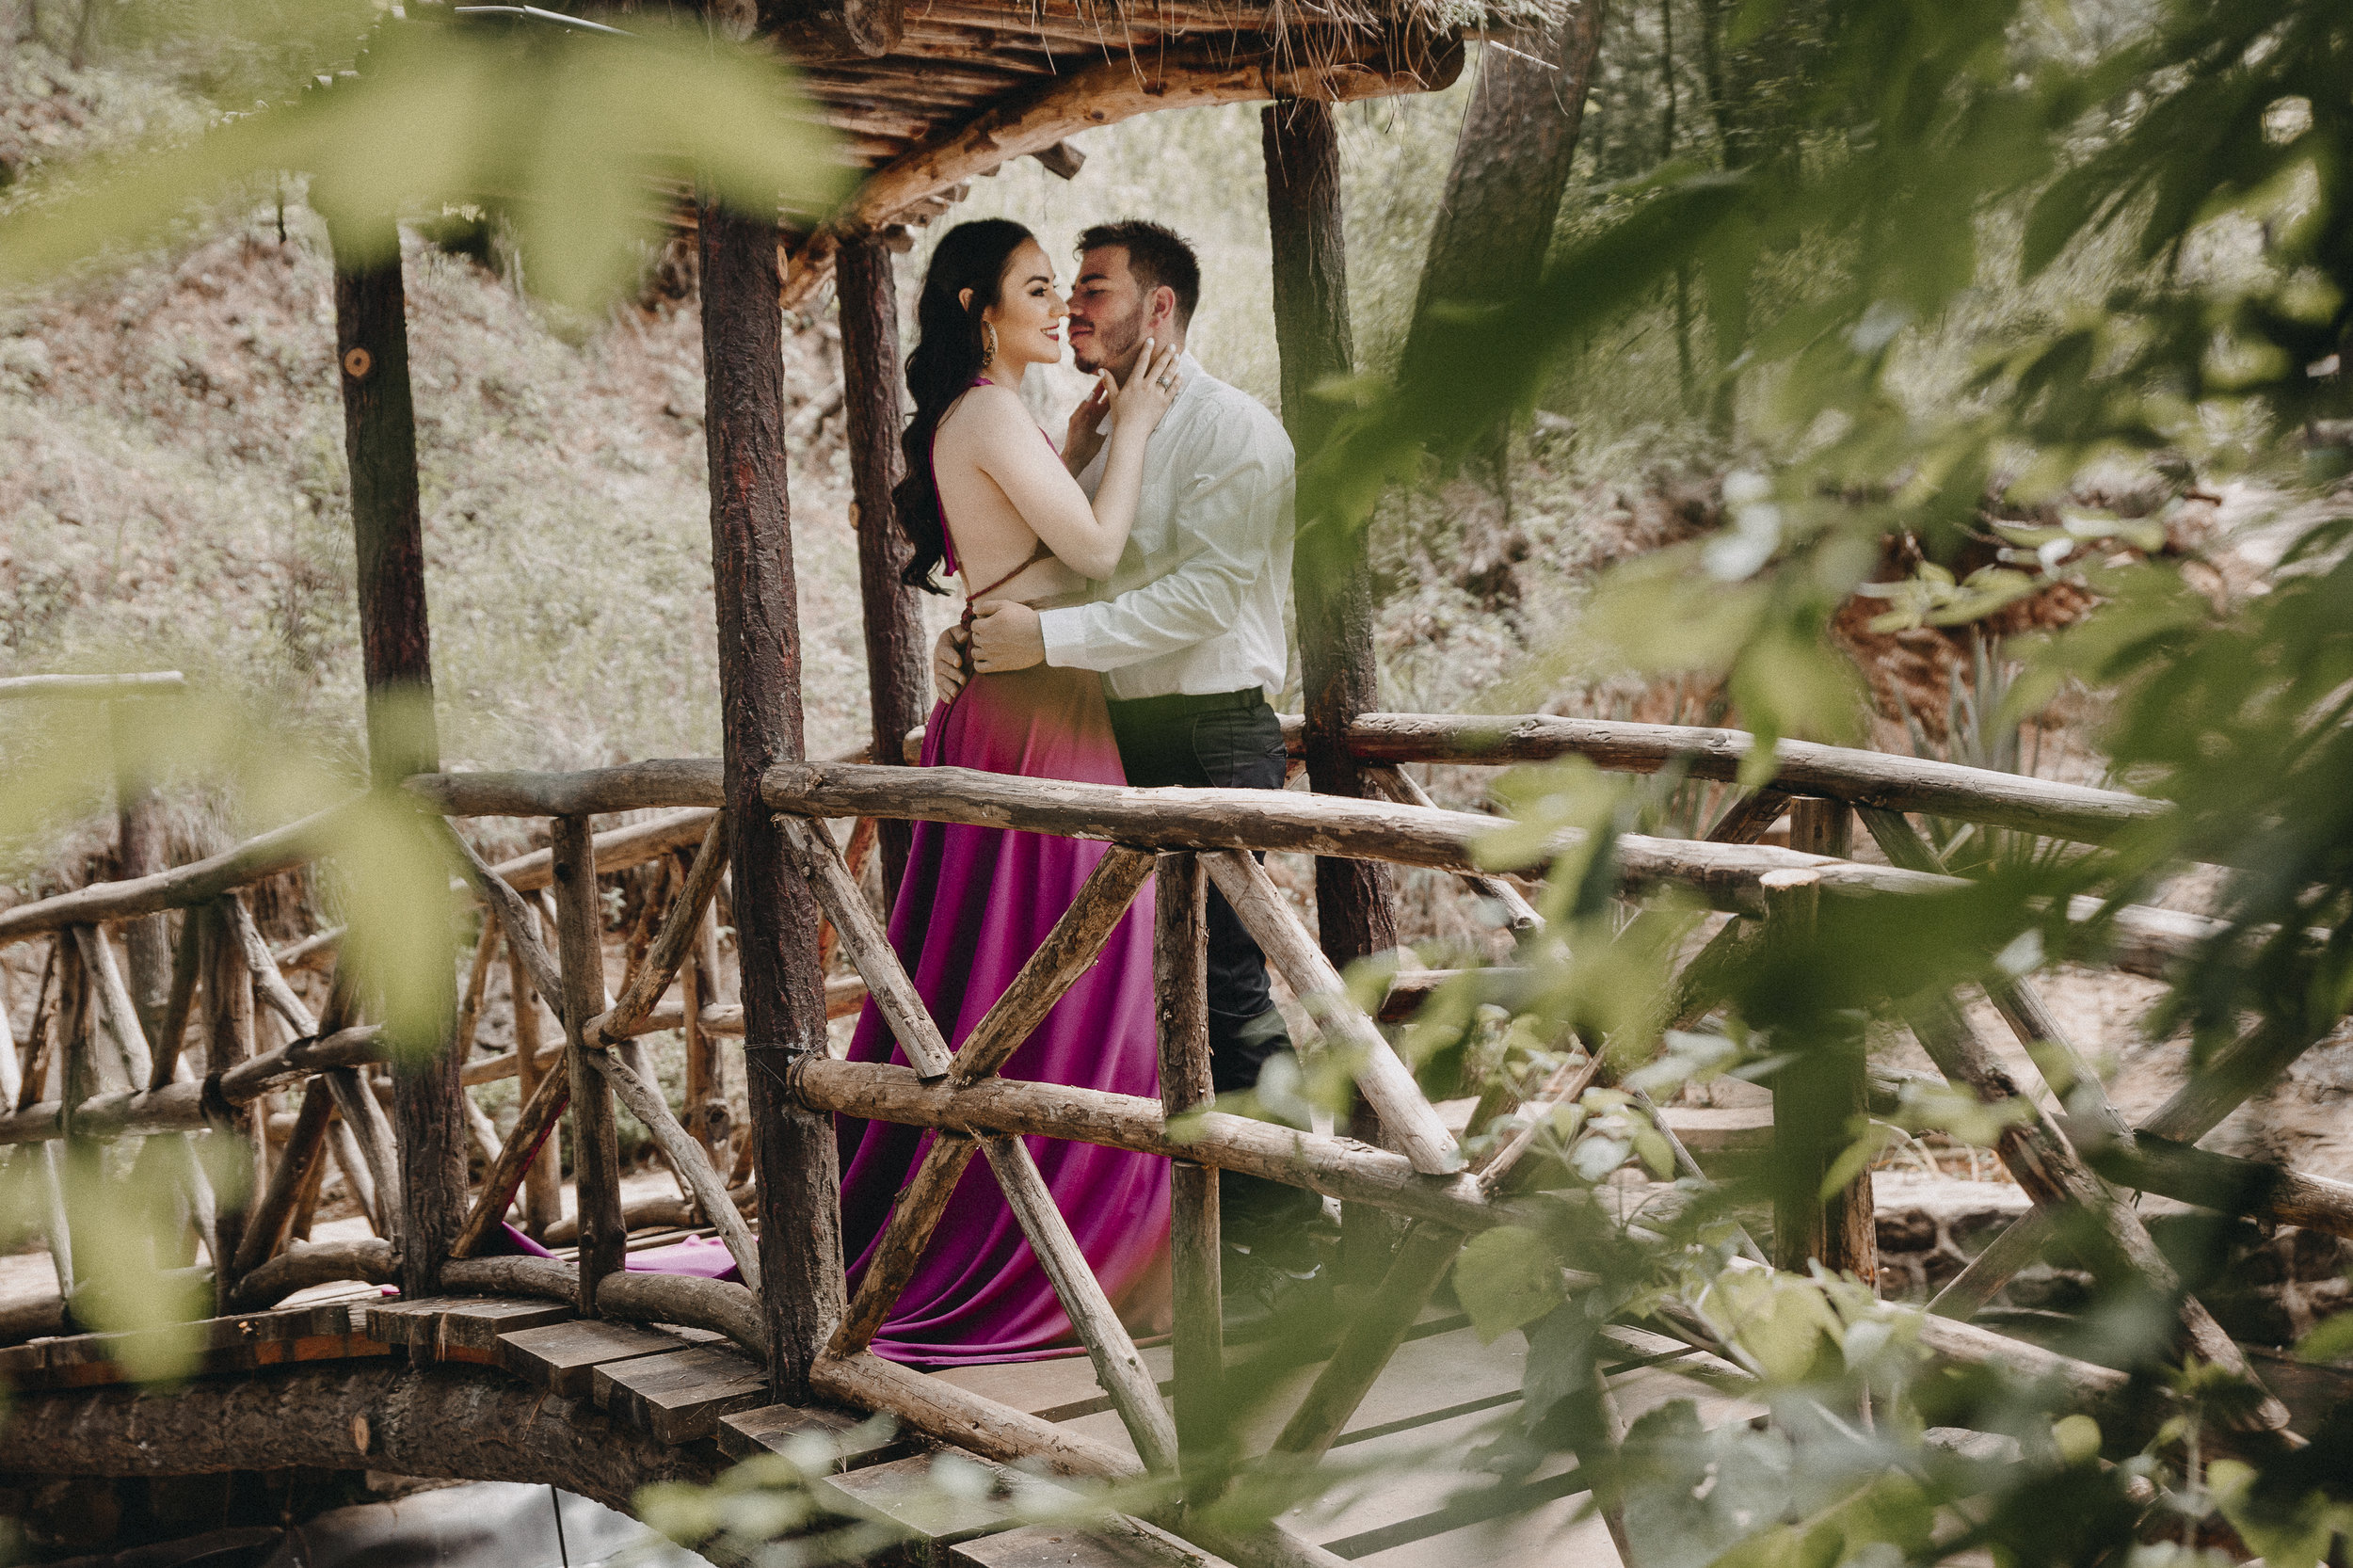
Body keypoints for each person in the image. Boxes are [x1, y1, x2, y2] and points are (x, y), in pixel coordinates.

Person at [832, 218, 1186, 1368]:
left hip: (1030, 703)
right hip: (1035, 721)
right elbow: (1089, 551)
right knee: (1060, 967)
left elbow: (1017, 568)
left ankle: (1096, 1237)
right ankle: (1056, 1240)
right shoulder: (986, 410)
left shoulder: (1002, 415)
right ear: (979, 308)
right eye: (1037, 289)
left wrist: (1081, 439)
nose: (1059, 308)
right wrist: (1127, 430)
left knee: (1055, 965)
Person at [942, 220, 1301, 1103]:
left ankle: (1294, 1219)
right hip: (1109, 734)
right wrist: (973, 633)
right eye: (1066, 290)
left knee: (1225, 983)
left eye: (1094, 288)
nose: (1072, 308)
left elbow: (1205, 601)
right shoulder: (1100, 433)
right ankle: (1192, 1221)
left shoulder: (1236, 432)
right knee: (1133, 989)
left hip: (1211, 730)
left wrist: (1044, 640)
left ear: (1161, 306)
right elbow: (1054, 568)